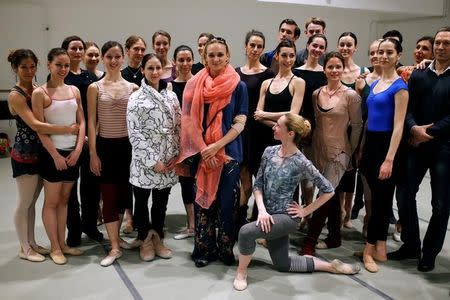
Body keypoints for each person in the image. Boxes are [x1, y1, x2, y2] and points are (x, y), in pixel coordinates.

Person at [233, 113, 360, 291]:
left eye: (278, 125)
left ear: (290, 133)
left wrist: (305, 211)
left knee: (246, 232)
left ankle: (241, 272)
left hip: (286, 217)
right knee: (283, 264)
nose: (274, 127)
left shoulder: (301, 162)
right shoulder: (269, 152)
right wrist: (261, 209)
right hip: (268, 214)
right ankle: (332, 266)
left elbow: (328, 190)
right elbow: (258, 185)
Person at [176, 37, 248, 267]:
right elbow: (188, 121)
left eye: (220, 54)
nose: (216, 59)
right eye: (211, 55)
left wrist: (217, 146)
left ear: (228, 56)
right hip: (201, 153)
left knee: (228, 204)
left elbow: (240, 122)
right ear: (204, 58)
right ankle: (203, 250)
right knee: (203, 203)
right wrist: (201, 147)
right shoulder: (195, 84)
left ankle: (225, 249)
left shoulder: (239, 85)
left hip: (228, 154)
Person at [388, 27, 450, 273]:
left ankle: (430, 253)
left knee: (441, 204)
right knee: (403, 194)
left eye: (447, 43)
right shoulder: (419, 74)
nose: (441, 47)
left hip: (444, 148)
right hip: (414, 145)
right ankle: (411, 244)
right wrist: (413, 128)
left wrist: (430, 132)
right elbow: (407, 107)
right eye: (439, 43)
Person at [8, 49, 79, 262]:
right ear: (15, 68)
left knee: (33, 202)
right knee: (25, 202)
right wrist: (68, 129)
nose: (29, 71)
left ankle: (32, 242)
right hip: (25, 153)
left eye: (32, 66)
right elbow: (36, 124)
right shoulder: (16, 94)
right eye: (23, 67)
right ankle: (24, 247)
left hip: (40, 152)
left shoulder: (37, 88)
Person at [301, 51, 362, 255]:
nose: (335, 70)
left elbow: (357, 126)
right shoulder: (316, 93)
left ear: (343, 69)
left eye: (339, 66)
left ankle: (309, 242)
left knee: (324, 193)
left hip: (340, 152)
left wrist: (350, 151)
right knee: (332, 195)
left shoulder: (351, 96)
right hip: (317, 150)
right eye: (331, 66)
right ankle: (334, 236)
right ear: (324, 69)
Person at [358, 38, 408, 273]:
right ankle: (380, 248)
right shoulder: (377, 81)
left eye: (389, 52)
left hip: (387, 147)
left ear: (398, 55)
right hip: (371, 145)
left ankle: (369, 250)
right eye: (380, 52)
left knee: (380, 203)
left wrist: (389, 159)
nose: (384, 56)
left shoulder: (400, 87)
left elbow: (398, 126)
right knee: (378, 201)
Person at [32, 47, 86, 265]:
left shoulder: (74, 90)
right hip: (52, 155)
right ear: (49, 65)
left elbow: (81, 122)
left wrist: (78, 150)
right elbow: (40, 128)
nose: (63, 69)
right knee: (52, 202)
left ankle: (62, 243)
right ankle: (54, 246)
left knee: (65, 201)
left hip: (73, 154)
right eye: (58, 65)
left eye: (66, 65)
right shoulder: (40, 93)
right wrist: (55, 155)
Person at [87, 41, 139, 267]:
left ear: (123, 59)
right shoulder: (95, 88)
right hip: (105, 147)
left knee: (123, 197)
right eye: (109, 56)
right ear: (103, 59)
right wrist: (93, 154)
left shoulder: (133, 88)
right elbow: (90, 121)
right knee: (108, 197)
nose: (114, 60)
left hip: (127, 148)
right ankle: (115, 246)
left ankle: (117, 239)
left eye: (118, 56)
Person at [127, 53, 180, 261]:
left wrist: (175, 155)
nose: (155, 72)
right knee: (141, 201)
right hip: (144, 160)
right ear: (143, 71)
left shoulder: (171, 96)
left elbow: (178, 126)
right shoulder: (136, 97)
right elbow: (135, 132)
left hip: (167, 158)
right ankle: (144, 238)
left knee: (161, 202)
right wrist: (152, 160)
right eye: (150, 68)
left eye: (158, 68)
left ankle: (158, 236)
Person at [61, 35, 102, 246]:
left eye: (80, 49)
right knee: (70, 189)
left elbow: (95, 110)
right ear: (65, 51)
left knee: (91, 187)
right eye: (73, 49)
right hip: (69, 139)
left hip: (91, 139)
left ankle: (90, 225)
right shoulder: (62, 77)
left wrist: (91, 135)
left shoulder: (90, 77)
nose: (77, 52)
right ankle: (74, 230)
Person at [235, 30, 274, 230]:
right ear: (245, 47)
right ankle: (239, 221)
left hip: (261, 133)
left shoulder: (269, 74)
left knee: (261, 182)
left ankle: (260, 222)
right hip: (241, 132)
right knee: (244, 181)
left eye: (259, 46)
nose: (255, 49)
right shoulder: (235, 73)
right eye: (252, 45)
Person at [254, 39, 305, 175]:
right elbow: (257, 116)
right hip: (264, 138)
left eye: (292, 55)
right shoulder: (266, 83)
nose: (288, 59)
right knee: (264, 181)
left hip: (286, 140)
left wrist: (266, 115)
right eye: (284, 55)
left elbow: (293, 113)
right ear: (277, 56)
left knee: (285, 185)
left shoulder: (298, 82)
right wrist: (277, 126)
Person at [293, 33, 328, 229]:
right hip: (297, 128)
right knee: (293, 173)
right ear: (307, 46)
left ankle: (308, 211)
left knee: (309, 177)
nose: (317, 50)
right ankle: (294, 213)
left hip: (316, 130)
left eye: (321, 47)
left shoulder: (325, 73)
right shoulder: (296, 72)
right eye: (314, 45)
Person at [350, 39, 383, 231]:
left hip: (382, 137)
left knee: (380, 186)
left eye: (379, 52)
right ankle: (368, 220)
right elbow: (357, 113)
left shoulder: (395, 80)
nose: (375, 56)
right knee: (366, 183)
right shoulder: (362, 80)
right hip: (363, 138)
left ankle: (376, 226)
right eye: (372, 53)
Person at [120, 35, 147, 234]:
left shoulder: (148, 74)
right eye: (135, 49)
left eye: (142, 49)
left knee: (143, 180)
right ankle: (128, 217)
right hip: (124, 134)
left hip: (144, 136)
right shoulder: (121, 75)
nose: (139, 53)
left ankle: (143, 217)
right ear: (127, 50)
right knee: (128, 178)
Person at [171, 45, 196, 240]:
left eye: (188, 59)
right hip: (181, 144)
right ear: (175, 62)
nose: (185, 63)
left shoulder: (200, 82)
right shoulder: (170, 87)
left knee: (201, 183)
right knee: (186, 183)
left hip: (199, 142)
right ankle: (191, 226)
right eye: (181, 60)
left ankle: (203, 225)